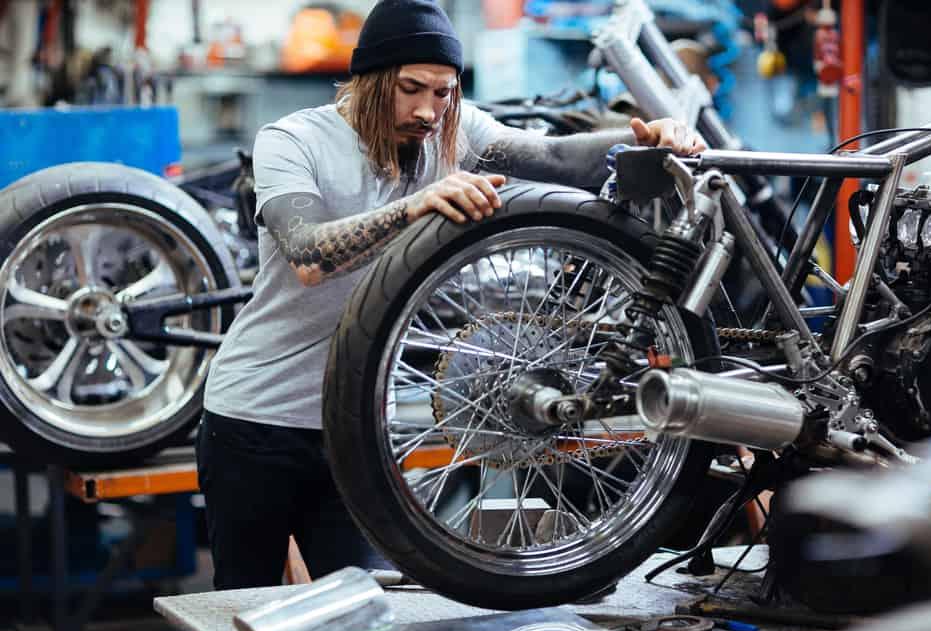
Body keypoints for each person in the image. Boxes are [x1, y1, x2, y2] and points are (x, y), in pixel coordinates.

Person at [196, 0, 706, 600]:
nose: (426, 110)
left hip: (349, 425)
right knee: (241, 603)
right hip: (257, 419)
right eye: (410, 89)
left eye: (442, 92)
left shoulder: (453, 131)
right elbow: (308, 256)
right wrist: (413, 207)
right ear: (367, 80)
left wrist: (646, 140)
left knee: (349, 612)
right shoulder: (292, 140)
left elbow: (555, 159)